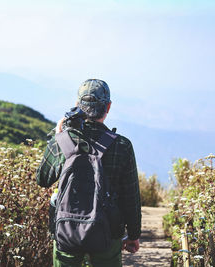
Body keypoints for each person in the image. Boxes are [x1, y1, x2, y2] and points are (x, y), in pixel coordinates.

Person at [36, 79, 141, 267]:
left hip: (66, 229)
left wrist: (57, 135)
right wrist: (133, 235)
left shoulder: (62, 141)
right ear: (108, 107)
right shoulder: (122, 146)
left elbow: (42, 179)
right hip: (108, 231)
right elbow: (130, 196)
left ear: (78, 106)